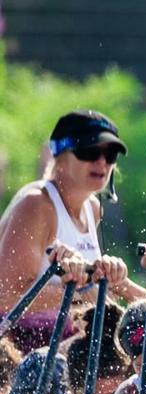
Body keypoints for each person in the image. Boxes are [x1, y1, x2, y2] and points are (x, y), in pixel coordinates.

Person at [0, 111, 135, 352]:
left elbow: (95, 287)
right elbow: (7, 296)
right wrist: (82, 293)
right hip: (21, 353)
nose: (102, 162)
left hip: (69, 346)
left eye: (110, 154)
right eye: (90, 152)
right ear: (59, 156)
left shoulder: (93, 207)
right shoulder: (37, 205)